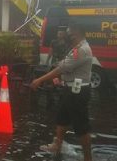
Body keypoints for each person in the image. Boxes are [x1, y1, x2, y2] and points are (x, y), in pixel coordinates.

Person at [30, 23, 93, 161]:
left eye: (69, 31)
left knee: (81, 126)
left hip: (78, 92)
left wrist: (40, 80)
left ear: (76, 32)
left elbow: (61, 68)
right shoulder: (77, 48)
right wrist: (60, 78)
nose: (66, 34)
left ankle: (88, 158)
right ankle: (57, 146)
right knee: (62, 118)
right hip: (70, 88)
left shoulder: (81, 50)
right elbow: (65, 69)